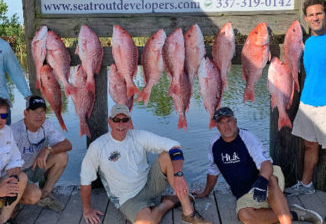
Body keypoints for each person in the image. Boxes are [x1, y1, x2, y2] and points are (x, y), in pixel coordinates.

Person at [80, 104, 212, 224]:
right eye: (116, 120)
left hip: (149, 184)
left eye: (125, 120)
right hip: (127, 198)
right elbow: (86, 179)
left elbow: (174, 145)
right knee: (147, 222)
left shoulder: (139, 136)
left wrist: (179, 175)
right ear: (110, 122)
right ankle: (168, 202)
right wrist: (87, 210)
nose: (121, 124)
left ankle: (189, 214)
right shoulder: (97, 147)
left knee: (167, 155)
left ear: (130, 122)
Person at [194, 107, 323, 224]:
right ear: (216, 126)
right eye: (221, 123)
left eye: (229, 121)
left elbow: (265, 163)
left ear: (235, 121)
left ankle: (286, 221)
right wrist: (205, 192)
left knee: (271, 180)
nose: (226, 126)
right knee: (245, 216)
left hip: (264, 178)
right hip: (245, 192)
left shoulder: (247, 138)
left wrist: (262, 181)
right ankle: (293, 213)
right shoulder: (214, 144)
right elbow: (213, 170)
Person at [284, 0, 326, 196]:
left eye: (319, 13)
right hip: (308, 101)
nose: (315, 18)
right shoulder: (307, 42)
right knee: (310, 145)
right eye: (311, 15)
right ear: (306, 19)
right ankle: (306, 184)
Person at [10, 95, 72, 211]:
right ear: (26, 113)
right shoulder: (14, 131)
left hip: (34, 167)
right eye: (35, 111)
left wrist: (47, 150)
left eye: (42, 111)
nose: (39, 116)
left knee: (62, 156)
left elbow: (68, 145)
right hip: (17, 173)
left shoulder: (46, 125)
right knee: (33, 195)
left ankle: (45, 195)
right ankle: (13, 202)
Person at [0, 97, 27, 224]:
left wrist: (14, 178)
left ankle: (3, 220)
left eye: (3, 115)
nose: (0, 119)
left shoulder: (7, 131)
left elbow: (15, 159)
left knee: (22, 178)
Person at [0, 38, 31, 125]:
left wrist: (28, 96)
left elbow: (15, 72)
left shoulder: (4, 46)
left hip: (2, 104)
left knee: (6, 137)